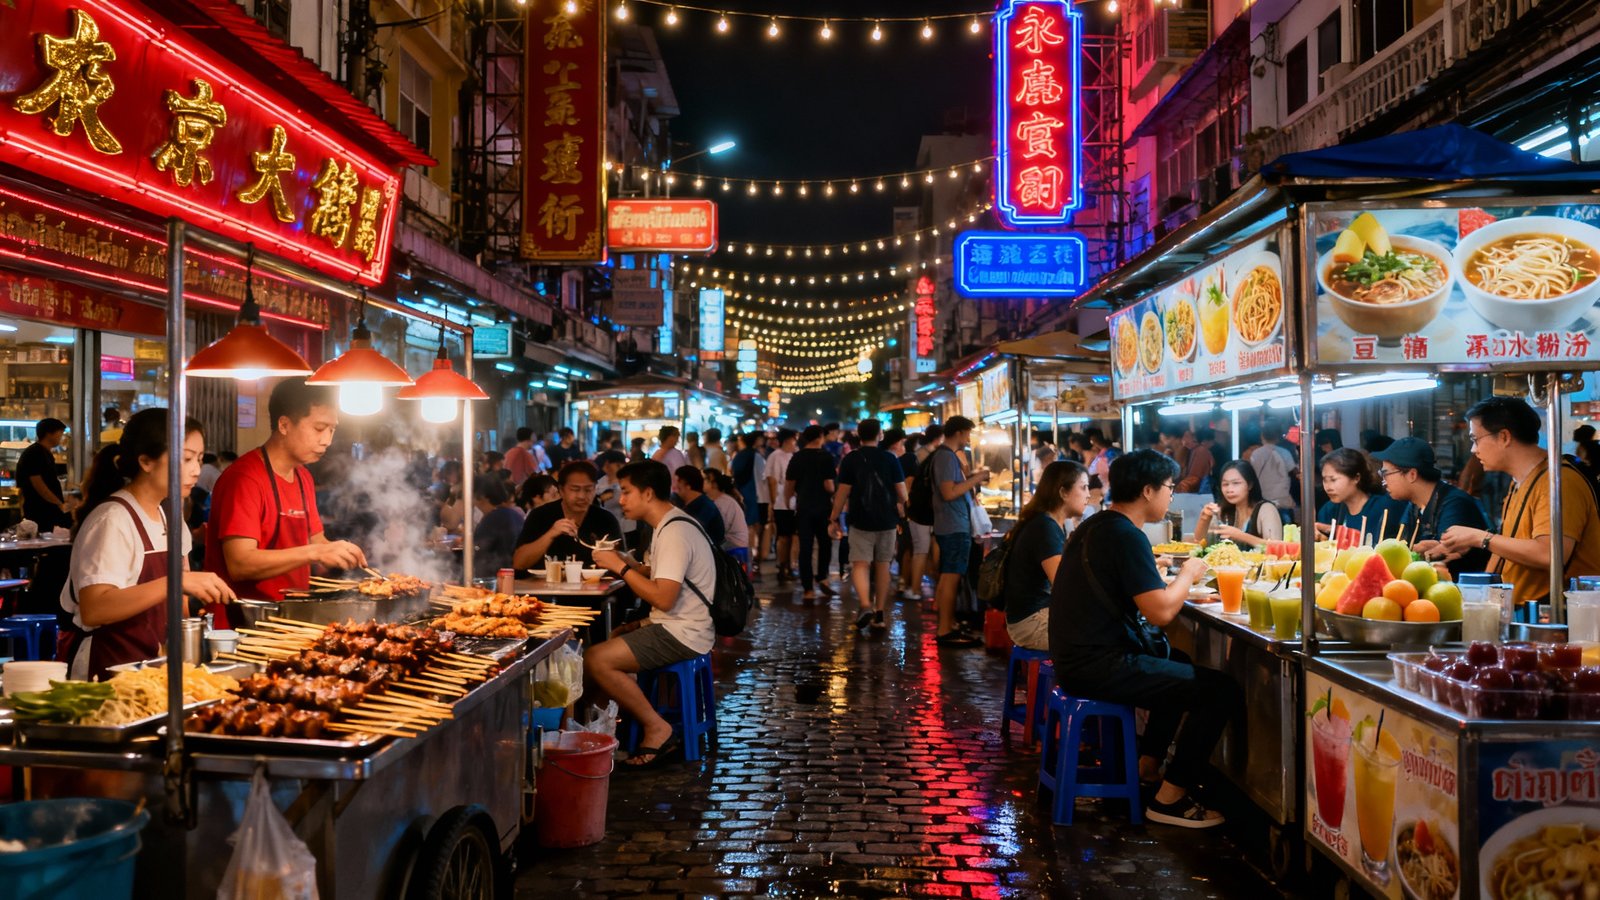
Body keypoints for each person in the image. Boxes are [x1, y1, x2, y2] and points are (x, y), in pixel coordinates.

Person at [1049, 449, 1242, 828]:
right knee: (1222, 691)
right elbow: (1162, 612)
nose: (1171, 495)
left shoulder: (1099, 524)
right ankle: (1170, 800)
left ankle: (1148, 767)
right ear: (1149, 491)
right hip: (1097, 665)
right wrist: (1189, 572)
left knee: (1180, 664)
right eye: (1169, 487)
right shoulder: (1125, 535)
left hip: (1076, 658)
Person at [59, 409, 236, 679]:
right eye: (186, 458)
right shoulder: (112, 520)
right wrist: (174, 582)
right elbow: (95, 608)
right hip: (109, 671)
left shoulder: (170, 516)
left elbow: (180, 602)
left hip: (155, 667)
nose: (196, 470)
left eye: (199, 459)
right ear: (146, 461)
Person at [588, 460, 716, 767]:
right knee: (613, 637)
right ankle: (606, 730)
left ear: (648, 494)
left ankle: (656, 726)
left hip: (683, 630)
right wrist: (627, 561)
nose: (621, 500)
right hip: (676, 623)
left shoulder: (674, 533)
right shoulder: (668, 524)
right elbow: (658, 574)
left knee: (595, 659)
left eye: (627, 492)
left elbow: (664, 597)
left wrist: (617, 566)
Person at [207, 378, 367, 606]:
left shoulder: (303, 477)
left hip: (291, 615)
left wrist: (341, 552)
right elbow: (240, 564)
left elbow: (316, 541)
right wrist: (315, 553)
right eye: (319, 429)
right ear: (284, 425)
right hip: (243, 622)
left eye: (332, 430)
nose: (327, 440)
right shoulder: (245, 478)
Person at [1439, 397, 1600, 607]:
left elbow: (1549, 554)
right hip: (1518, 613)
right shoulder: (1519, 482)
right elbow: (1507, 550)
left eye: (1475, 439)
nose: (1473, 450)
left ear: (1504, 437)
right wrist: (1463, 544)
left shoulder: (1558, 482)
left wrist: (1481, 538)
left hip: (1559, 619)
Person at [829, 419, 907, 632]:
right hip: (887, 520)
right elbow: (903, 494)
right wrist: (900, 505)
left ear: (858, 436)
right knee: (883, 564)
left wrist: (834, 517)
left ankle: (865, 604)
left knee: (860, 564)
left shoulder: (851, 459)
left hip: (860, 519)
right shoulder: (890, 458)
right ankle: (880, 614)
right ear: (880, 435)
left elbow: (842, 493)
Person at [1004, 460, 1089, 650]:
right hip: (1030, 622)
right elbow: (1063, 585)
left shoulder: (1049, 523)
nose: (1088, 495)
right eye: (1083, 487)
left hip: (1036, 614)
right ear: (1063, 492)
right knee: (1104, 639)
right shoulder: (1045, 527)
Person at [1376, 437, 1490, 579]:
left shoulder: (1455, 504)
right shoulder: (1413, 506)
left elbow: (1444, 558)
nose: (1383, 481)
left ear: (1412, 474)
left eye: (1385, 473)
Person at [931, 416, 989, 648]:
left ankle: (948, 623)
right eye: (967, 434)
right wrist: (977, 478)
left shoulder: (947, 457)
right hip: (953, 525)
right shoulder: (945, 457)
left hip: (951, 524)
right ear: (958, 433)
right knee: (951, 577)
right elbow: (948, 492)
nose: (968, 439)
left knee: (949, 576)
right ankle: (945, 629)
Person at [513, 460, 622, 570]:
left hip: (596, 586)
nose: (581, 496)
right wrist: (551, 534)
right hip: (546, 586)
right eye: (575, 489)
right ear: (561, 490)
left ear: (595, 489)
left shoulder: (606, 519)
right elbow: (518, 563)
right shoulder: (540, 515)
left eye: (588, 489)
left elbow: (620, 563)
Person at [787, 425, 837, 601]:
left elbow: (790, 485)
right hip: (823, 507)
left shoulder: (797, 457)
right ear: (820, 437)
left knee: (805, 547)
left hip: (804, 507)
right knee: (825, 543)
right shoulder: (826, 457)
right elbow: (829, 485)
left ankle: (808, 589)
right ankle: (822, 577)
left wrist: (788, 501)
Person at [1316, 448, 1403, 545]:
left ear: (1356, 478)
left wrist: (1336, 531)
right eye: (1325, 480)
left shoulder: (1383, 507)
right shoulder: (1328, 510)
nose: (1328, 487)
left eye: (1333, 480)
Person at [1192, 460, 1282, 548]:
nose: (1229, 490)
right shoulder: (1223, 511)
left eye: (1236, 483)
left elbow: (1277, 547)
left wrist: (1239, 535)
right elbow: (1198, 544)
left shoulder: (1266, 509)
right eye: (1225, 484)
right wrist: (1204, 519)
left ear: (1250, 485)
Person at [18, 417, 74, 530]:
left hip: (47, 511)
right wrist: (59, 504)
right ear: (49, 434)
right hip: (40, 512)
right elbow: (38, 484)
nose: (61, 437)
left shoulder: (44, 452)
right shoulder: (35, 453)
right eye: (60, 434)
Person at [471, 476, 525, 575]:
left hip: (498, 578)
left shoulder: (491, 519)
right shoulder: (515, 515)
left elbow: (477, 551)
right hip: (516, 575)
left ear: (482, 497)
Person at [731, 432, 766, 575]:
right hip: (754, 494)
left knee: (745, 527)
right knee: (752, 528)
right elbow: (761, 477)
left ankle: (746, 562)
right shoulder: (755, 455)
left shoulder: (739, 455)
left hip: (742, 492)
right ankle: (750, 561)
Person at [766, 429, 798, 584]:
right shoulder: (775, 456)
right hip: (780, 503)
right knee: (783, 536)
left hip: (792, 503)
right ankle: (782, 567)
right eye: (793, 440)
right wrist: (772, 503)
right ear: (786, 440)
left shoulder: (794, 455)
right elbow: (772, 480)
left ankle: (788, 566)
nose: (795, 443)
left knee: (791, 536)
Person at [1250, 419, 1297, 514]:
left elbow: (1251, 473)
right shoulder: (1284, 453)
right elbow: (1294, 472)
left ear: (1262, 436)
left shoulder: (1255, 453)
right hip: (1281, 500)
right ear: (1278, 438)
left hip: (1261, 499)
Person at [703, 470, 749, 568]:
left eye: (705, 479)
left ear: (714, 484)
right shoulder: (719, 501)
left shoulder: (723, 503)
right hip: (730, 543)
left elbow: (721, 529)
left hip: (734, 545)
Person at [673, 465, 724, 546]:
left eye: (678, 481)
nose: (674, 486)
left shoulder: (705, 508)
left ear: (688, 485)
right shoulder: (689, 503)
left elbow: (689, 536)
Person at [595, 450, 636, 548]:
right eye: (617, 465)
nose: (620, 468)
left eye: (621, 465)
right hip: (605, 529)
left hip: (626, 528)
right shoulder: (601, 482)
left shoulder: (628, 482)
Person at [1177, 427, 1216, 494]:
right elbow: (1196, 477)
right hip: (1197, 491)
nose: (1213, 444)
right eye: (1212, 442)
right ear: (1204, 442)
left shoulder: (1193, 450)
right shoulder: (1202, 451)